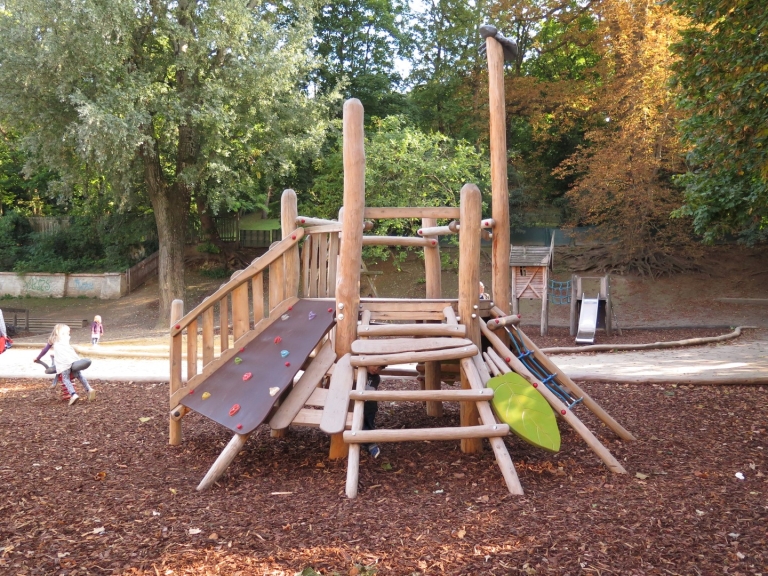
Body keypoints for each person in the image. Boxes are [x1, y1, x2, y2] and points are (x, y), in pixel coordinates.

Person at [45, 324, 96, 405]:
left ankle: (73, 394)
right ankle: (89, 389)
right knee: (79, 375)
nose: (69, 334)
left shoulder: (53, 340)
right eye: (67, 332)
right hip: (73, 360)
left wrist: (37, 358)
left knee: (65, 379)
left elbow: (45, 350)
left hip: (63, 363)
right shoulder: (66, 339)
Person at [362, 364, 385, 458]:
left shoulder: (376, 378)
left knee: (369, 423)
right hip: (355, 404)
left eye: (380, 368)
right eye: (375, 365)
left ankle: (368, 442)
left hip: (370, 405)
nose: (376, 369)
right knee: (360, 424)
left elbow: (370, 390)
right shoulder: (357, 372)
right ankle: (368, 443)